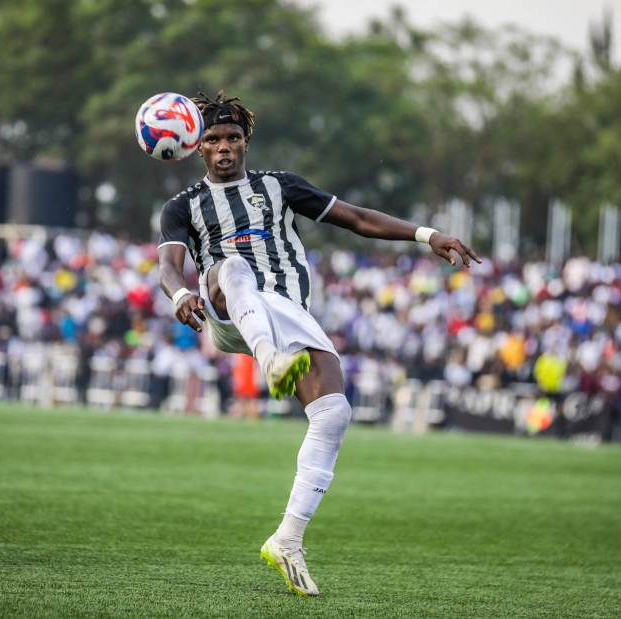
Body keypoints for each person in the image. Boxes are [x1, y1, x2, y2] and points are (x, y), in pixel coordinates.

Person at [157, 91, 480, 596]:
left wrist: (426, 234)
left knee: (334, 412)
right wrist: (179, 291)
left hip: (287, 314)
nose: (224, 147)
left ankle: (287, 538)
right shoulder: (183, 206)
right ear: (197, 146)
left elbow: (356, 219)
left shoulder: (280, 187)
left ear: (246, 142)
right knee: (235, 266)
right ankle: (270, 363)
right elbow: (170, 264)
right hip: (227, 306)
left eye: (233, 138)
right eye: (215, 139)